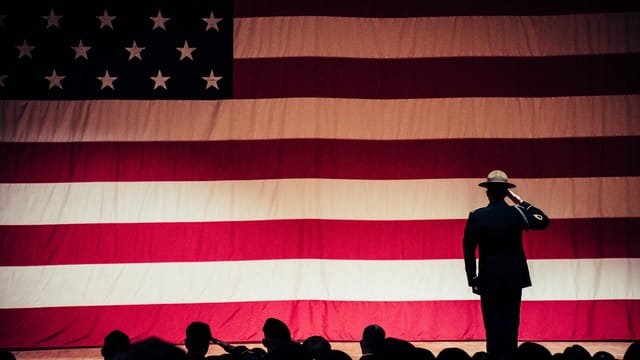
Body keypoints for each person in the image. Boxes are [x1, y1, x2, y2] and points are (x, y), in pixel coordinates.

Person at [463, 170, 550, 360]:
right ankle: (510, 357)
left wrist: (472, 279)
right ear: (506, 192)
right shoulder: (517, 214)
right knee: (511, 322)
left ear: (488, 192)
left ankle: (494, 357)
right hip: (513, 278)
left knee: (492, 323)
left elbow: (468, 250)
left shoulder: (477, 216)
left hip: (488, 278)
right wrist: (520, 201)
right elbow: (543, 221)